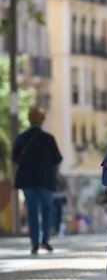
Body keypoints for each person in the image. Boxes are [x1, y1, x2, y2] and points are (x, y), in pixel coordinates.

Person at [12, 107, 63, 254]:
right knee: (47, 209)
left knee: (32, 211)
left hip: (27, 181)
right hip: (44, 180)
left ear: (29, 119)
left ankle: (34, 243)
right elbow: (57, 159)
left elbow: (14, 158)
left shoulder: (22, 137)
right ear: (42, 120)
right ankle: (45, 239)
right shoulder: (48, 138)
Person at [52, 173, 70, 237]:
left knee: (56, 214)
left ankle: (55, 229)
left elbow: (66, 188)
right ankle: (56, 229)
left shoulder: (59, 177)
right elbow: (66, 188)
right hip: (58, 197)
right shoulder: (61, 177)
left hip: (54, 197)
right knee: (57, 215)